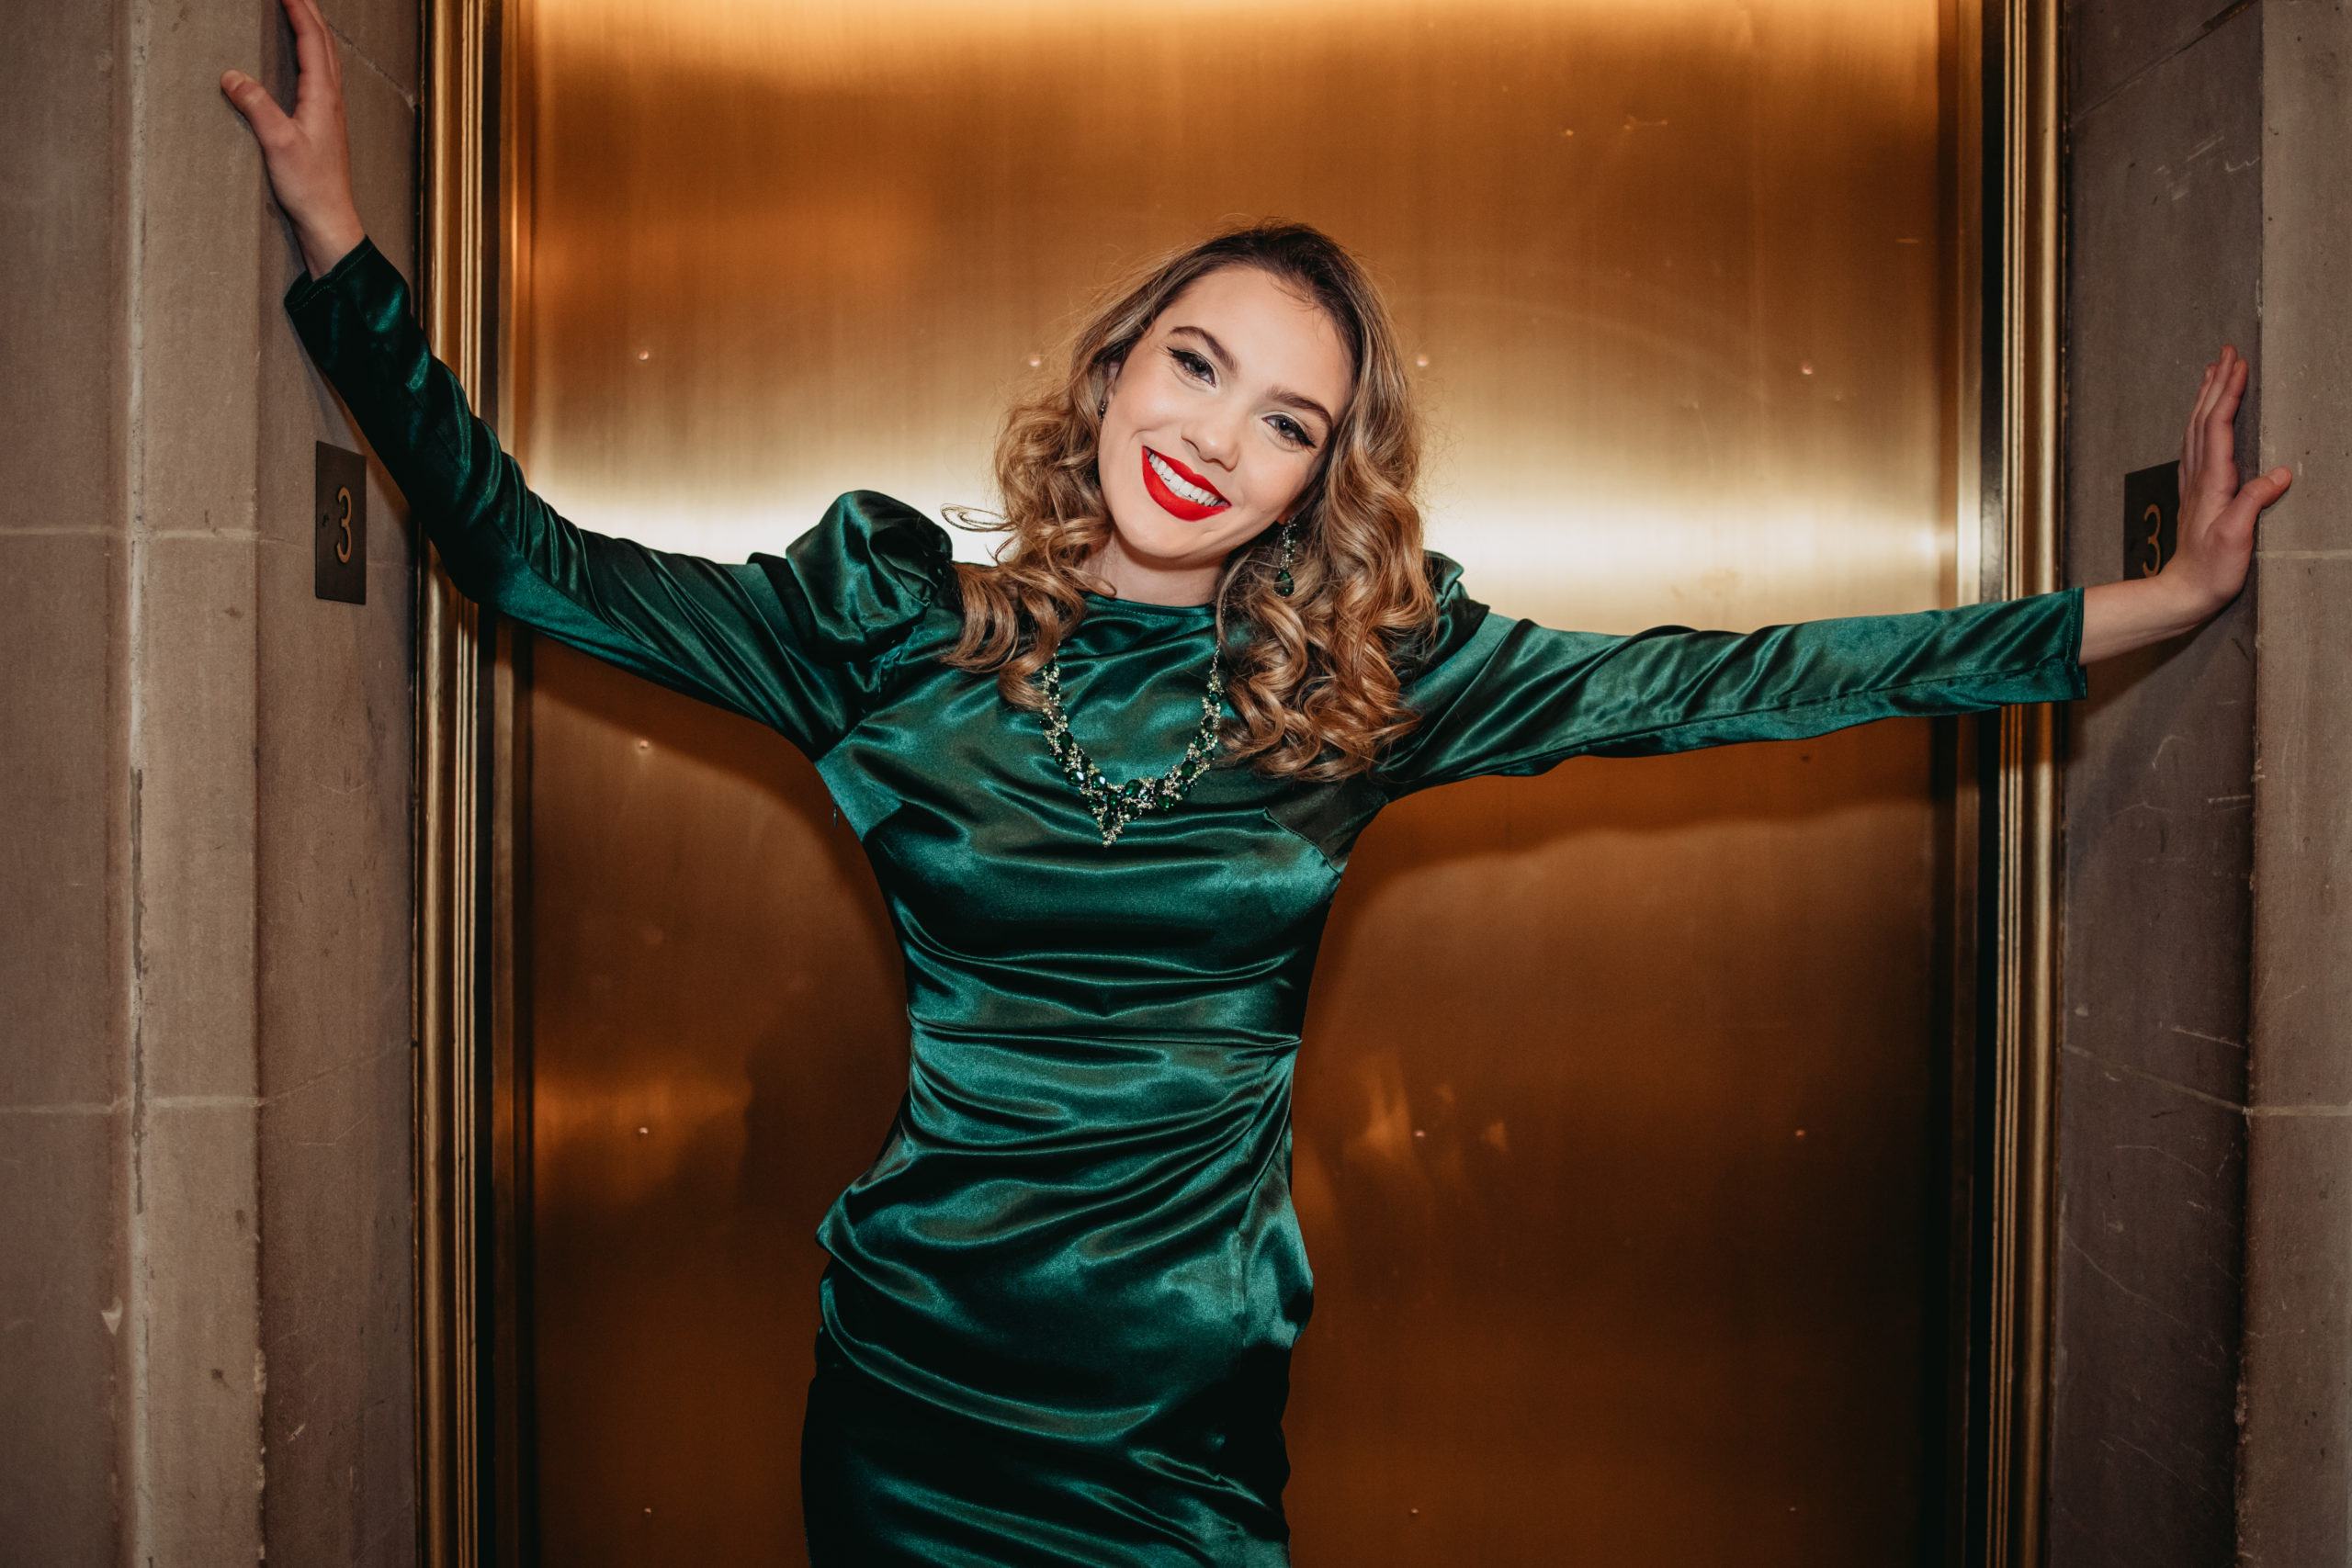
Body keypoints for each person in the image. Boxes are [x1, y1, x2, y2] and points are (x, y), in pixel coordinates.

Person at [226, 0, 2292, 1560]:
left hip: (1176, 1430)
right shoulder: (877, 632)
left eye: (1291, 421)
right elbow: (527, 560)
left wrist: (2145, 601)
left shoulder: (1362, 692)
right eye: (1198, 363)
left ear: (1324, 481)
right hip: (913, 1397)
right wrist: (339, 247)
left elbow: (1731, 677)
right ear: (1118, 362)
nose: (1220, 432)